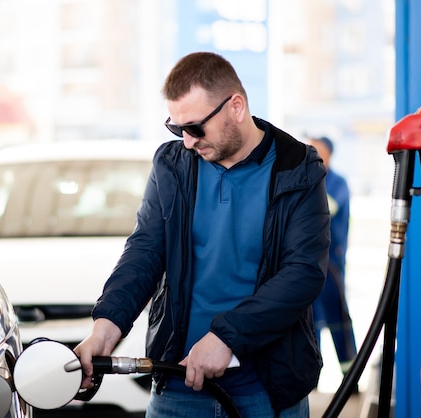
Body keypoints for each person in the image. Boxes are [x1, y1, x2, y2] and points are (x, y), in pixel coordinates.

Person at [75, 51, 330, 418]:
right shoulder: (172, 165)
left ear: (236, 107)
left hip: (267, 389)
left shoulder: (297, 167)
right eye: (177, 129)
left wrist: (228, 336)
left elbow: (303, 272)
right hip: (178, 387)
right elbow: (145, 251)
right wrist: (106, 326)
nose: (188, 141)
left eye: (195, 128)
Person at [307, 136, 358, 384]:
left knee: (338, 322)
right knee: (310, 322)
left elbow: (327, 207)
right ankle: (311, 380)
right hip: (309, 264)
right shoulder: (309, 179)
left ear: (325, 153)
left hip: (331, 266)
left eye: (313, 148)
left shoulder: (336, 183)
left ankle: (351, 379)